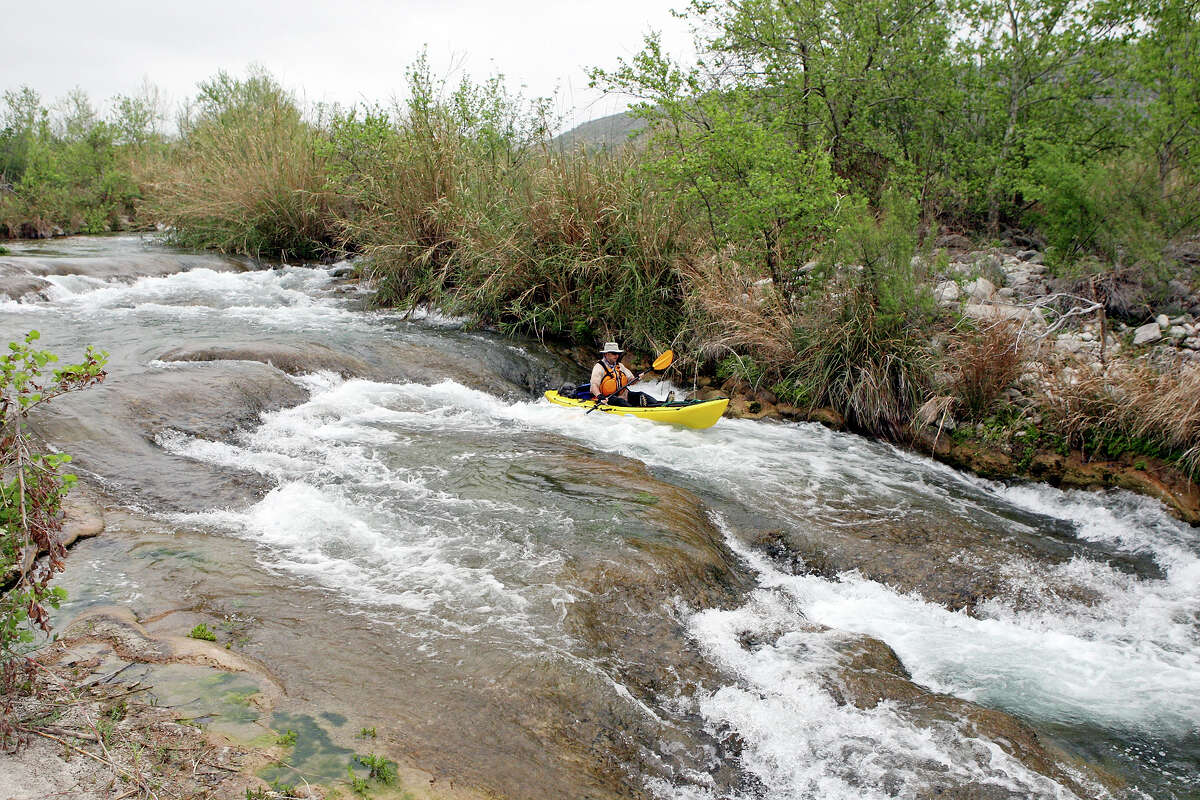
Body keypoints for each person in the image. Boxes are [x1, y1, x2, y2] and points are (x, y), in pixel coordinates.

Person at [589, 341, 659, 407]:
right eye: (614, 353)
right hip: (607, 399)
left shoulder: (620, 366)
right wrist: (599, 396)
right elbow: (593, 386)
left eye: (618, 353)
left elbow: (632, 381)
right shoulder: (599, 367)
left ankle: (661, 404)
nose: (616, 356)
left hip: (624, 395)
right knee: (621, 402)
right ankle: (635, 410)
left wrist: (637, 377)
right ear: (606, 354)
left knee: (641, 395)